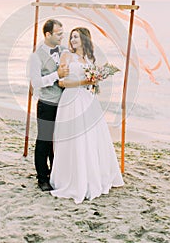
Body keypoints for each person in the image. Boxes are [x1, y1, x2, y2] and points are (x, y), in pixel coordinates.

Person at [50, 27, 124, 203]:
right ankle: (71, 178)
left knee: (91, 138)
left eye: (76, 36)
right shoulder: (67, 56)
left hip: (88, 99)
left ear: (84, 39)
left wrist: (94, 82)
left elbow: (91, 81)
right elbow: (61, 82)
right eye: (72, 37)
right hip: (71, 100)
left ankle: (92, 176)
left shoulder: (90, 58)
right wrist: (85, 81)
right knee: (73, 138)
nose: (73, 39)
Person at [29, 19, 69, 191]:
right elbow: (36, 82)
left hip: (65, 104)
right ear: (48, 34)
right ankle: (42, 178)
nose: (62, 36)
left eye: (62, 32)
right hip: (47, 104)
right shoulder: (35, 57)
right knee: (44, 141)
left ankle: (56, 173)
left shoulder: (65, 51)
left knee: (59, 141)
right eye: (58, 33)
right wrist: (56, 75)